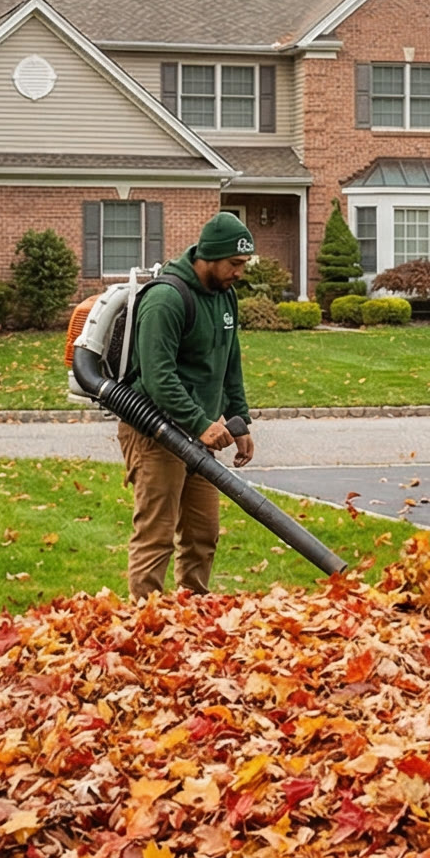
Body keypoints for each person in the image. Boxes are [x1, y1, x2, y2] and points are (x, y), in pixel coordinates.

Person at [120, 210, 258, 597]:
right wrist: (200, 423)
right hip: (154, 431)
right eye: (234, 263)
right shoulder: (166, 299)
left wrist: (239, 419)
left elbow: (230, 361)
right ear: (210, 257)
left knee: (203, 532)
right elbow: (157, 377)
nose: (239, 272)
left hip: (198, 434)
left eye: (243, 264)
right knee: (157, 534)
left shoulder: (225, 296)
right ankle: (145, 625)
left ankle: (193, 617)